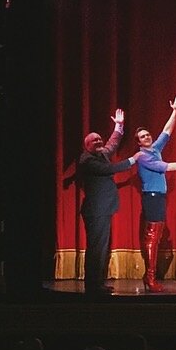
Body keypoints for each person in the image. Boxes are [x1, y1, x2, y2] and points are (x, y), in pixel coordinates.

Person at [135, 94, 176, 293]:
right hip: (152, 197)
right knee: (152, 237)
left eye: (147, 135)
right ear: (138, 142)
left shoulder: (154, 148)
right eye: (142, 137)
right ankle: (150, 276)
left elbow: (167, 131)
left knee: (157, 235)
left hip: (158, 197)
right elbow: (168, 167)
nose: (147, 137)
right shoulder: (143, 156)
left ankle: (150, 276)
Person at [77, 109, 141, 296]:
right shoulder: (87, 159)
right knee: (96, 248)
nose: (99, 142)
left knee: (101, 247)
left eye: (99, 139)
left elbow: (112, 144)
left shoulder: (100, 154)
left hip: (103, 209)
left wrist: (118, 126)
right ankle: (92, 285)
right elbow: (109, 169)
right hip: (95, 211)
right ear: (86, 145)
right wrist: (132, 160)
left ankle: (98, 283)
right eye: (94, 141)